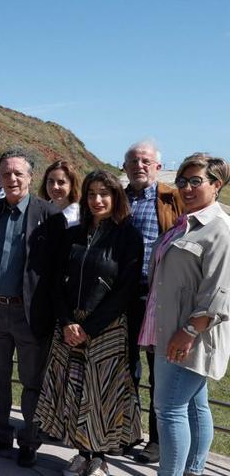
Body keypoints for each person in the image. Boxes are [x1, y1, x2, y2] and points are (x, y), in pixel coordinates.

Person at [36, 170, 143, 476]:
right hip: (70, 326)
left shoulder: (128, 236)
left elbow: (125, 290)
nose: (97, 200)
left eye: (104, 194)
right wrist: (68, 321)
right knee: (74, 391)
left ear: (116, 197)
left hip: (106, 329)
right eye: (92, 194)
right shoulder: (73, 234)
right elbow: (55, 282)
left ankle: (98, 456)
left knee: (100, 394)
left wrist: (90, 328)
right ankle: (82, 453)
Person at [0, 149, 66, 467]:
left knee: (32, 383)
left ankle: (30, 441)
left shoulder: (50, 216)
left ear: (29, 177)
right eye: (6, 173)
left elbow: (56, 272)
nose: (11, 179)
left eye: (18, 174)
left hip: (30, 314)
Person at [140, 153, 230, 476]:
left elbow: (220, 293)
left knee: (168, 410)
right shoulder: (185, 223)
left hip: (188, 337)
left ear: (216, 185)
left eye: (196, 181)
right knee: (194, 405)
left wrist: (189, 331)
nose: (187, 188)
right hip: (171, 331)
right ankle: (193, 470)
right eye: (182, 182)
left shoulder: (219, 229)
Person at [122, 139, 183, 463]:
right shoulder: (117, 199)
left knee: (159, 370)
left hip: (158, 296)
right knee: (125, 367)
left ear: (157, 167)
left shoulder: (171, 199)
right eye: (133, 161)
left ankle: (157, 440)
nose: (139, 166)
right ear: (125, 167)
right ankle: (127, 431)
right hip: (122, 297)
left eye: (145, 161)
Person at [38, 160, 81, 227]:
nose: (55, 187)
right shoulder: (38, 211)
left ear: (72, 185)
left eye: (61, 182)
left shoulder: (79, 218)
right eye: (51, 181)